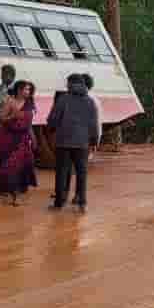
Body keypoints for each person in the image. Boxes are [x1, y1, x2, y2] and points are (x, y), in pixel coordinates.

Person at [47, 74, 100, 212]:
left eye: (67, 82)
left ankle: (59, 203)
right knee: (82, 173)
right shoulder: (90, 101)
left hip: (63, 142)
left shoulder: (63, 99)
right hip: (82, 143)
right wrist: (93, 140)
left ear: (71, 83)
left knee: (62, 172)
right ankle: (82, 203)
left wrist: (51, 129)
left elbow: (53, 118)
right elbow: (93, 124)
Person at [0, 81, 38, 205]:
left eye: (29, 90)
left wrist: (33, 139)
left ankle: (15, 195)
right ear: (18, 90)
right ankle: (1, 191)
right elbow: (1, 118)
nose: (27, 92)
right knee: (6, 166)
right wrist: (13, 116)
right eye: (25, 89)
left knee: (20, 167)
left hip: (22, 140)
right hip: (8, 138)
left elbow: (29, 125)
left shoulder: (30, 104)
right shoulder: (10, 101)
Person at [82, 74, 103, 161]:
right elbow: (98, 122)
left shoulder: (88, 99)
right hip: (89, 138)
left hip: (84, 138)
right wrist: (96, 140)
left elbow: (95, 122)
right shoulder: (95, 99)